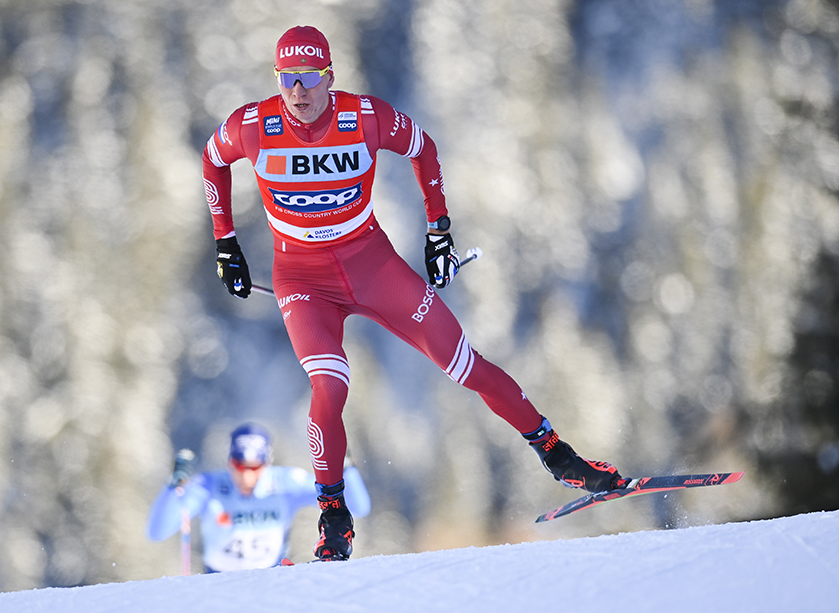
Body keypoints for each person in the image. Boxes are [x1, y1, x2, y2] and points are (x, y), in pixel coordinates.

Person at [202, 25, 627, 561]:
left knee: (464, 364)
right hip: (303, 280)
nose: (299, 92)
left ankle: (559, 456)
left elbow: (423, 149)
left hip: (371, 264)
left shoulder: (364, 117)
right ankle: (334, 516)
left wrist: (438, 229)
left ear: (330, 77)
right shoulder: (253, 124)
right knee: (329, 388)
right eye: (288, 79)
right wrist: (225, 242)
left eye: (310, 78)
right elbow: (213, 158)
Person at [146, 422, 370, 571]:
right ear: (229, 463)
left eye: (254, 468)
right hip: (216, 583)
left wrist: (345, 467)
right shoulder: (209, 485)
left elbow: (358, 506)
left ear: (267, 463)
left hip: (271, 580)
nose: (246, 476)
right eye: (239, 466)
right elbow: (157, 531)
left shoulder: (285, 482)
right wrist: (172, 488)